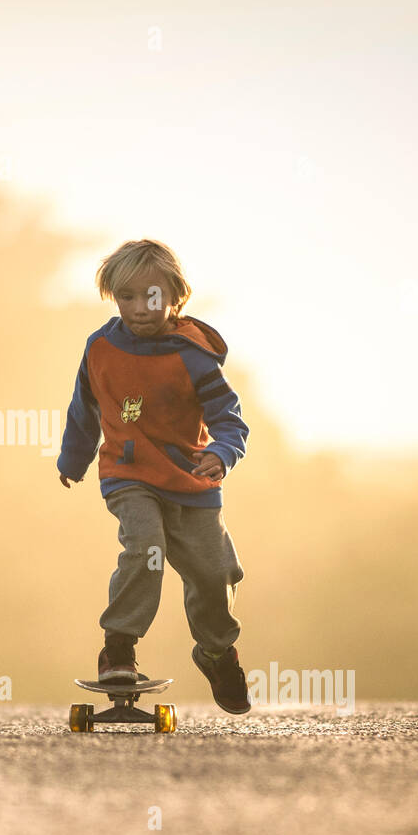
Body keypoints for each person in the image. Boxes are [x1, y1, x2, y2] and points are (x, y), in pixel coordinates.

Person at [56, 238, 252, 714]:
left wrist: (222, 454)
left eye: (151, 296)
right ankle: (118, 647)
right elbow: (85, 407)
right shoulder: (100, 349)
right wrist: (73, 458)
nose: (139, 308)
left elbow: (229, 418)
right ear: (113, 297)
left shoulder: (193, 355)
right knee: (145, 548)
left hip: (190, 479)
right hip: (129, 474)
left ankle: (215, 651)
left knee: (213, 576)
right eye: (126, 297)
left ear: (174, 296)